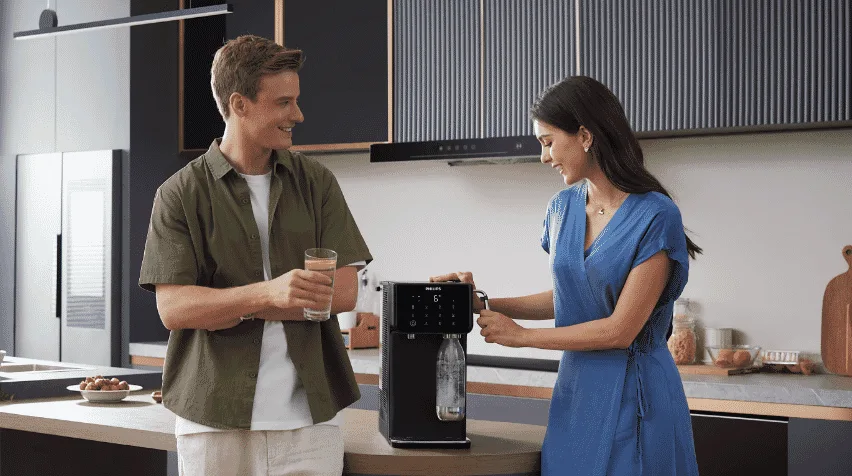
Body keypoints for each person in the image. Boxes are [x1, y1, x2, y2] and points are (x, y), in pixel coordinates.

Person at [431, 75, 701, 475]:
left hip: (638, 396)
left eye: (548, 142)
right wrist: (481, 302)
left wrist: (521, 337)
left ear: (585, 136)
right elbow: (572, 298)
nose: (544, 157)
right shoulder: (561, 208)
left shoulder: (656, 215)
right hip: (576, 392)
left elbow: (619, 330)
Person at [139, 35, 372, 475]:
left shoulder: (316, 182)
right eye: (284, 102)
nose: (298, 115)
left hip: (310, 424)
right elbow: (174, 308)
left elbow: (342, 293)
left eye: (297, 100)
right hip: (213, 422)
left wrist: (227, 306)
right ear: (239, 104)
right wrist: (270, 296)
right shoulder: (180, 194)